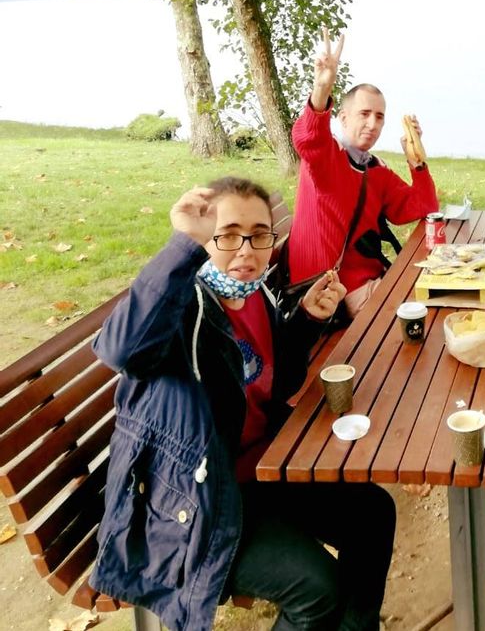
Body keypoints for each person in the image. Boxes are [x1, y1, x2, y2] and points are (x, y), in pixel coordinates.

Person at [90, 177, 396, 631]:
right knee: (317, 589)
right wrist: (181, 247)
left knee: (373, 512)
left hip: (259, 472)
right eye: (228, 233)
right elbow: (123, 351)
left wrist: (308, 320)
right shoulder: (185, 305)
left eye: (258, 234)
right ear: (204, 235)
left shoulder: (256, 295)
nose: (246, 249)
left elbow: (274, 381)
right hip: (197, 502)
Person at [287, 29, 439, 317]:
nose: (372, 124)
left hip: (368, 279)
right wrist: (321, 91)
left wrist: (416, 160)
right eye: (364, 114)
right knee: (427, 309)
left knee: (436, 292)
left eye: (379, 117)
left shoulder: (373, 168)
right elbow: (308, 139)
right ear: (343, 118)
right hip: (331, 290)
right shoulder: (327, 159)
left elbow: (422, 206)